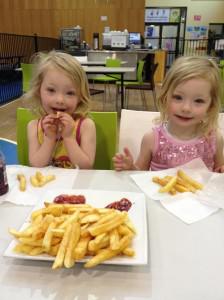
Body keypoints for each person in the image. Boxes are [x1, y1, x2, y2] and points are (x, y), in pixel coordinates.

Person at [113, 56, 224, 172]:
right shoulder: (151, 139)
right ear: (165, 97)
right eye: (178, 97)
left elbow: (218, 174)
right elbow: (140, 174)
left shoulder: (214, 139)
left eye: (198, 101)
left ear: (211, 106)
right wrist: (130, 167)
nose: (186, 108)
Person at [25, 50, 96, 169]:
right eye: (51, 90)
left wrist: (68, 137)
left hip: (75, 186)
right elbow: (36, 165)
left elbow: (86, 168)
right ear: (38, 91)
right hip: (47, 187)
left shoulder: (86, 126)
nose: (60, 100)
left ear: (80, 97)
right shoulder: (33, 127)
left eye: (70, 93)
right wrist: (49, 138)